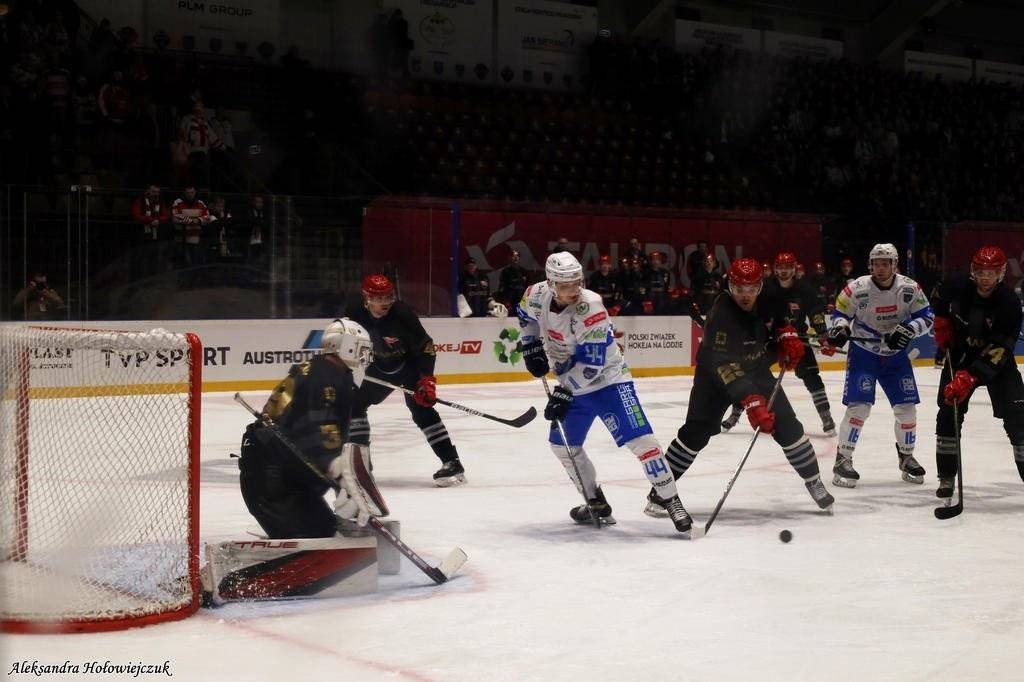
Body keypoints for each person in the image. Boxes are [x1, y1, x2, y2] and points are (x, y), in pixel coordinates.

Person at [517, 252, 693, 533]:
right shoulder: (535, 294)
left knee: (643, 441)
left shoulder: (592, 306)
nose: (573, 290)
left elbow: (593, 364)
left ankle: (671, 499)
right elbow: (525, 316)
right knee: (563, 446)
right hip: (571, 383)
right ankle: (595, 501)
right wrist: (530, 345)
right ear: (550, 284)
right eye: (565, 285)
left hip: (610, 381)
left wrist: (564, 392)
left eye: (577, 283)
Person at [655, 258, 835, 516]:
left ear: (760, 286)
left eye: (751, 289)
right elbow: (725, 364)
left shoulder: (771, 295)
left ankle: (814, 480)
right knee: (697, 432)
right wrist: (751, 400)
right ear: (730, 286)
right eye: (739, 289)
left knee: (788, 425)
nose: (745, 295)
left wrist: (786, 336)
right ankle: (661, 493)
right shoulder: (722, 314)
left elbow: (779, 319)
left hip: (756, 369)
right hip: (714, 377)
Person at [238, 318, 383, 538]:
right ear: (347, 345)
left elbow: (316, 431)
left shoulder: (326, 371)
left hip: (284, 471)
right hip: (270, 474)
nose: (365, 356)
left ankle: (284, 527)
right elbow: (320, 427)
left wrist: (345, 477)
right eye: (362, 348)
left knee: (323, 528)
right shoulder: (326, 377)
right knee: (312, 535)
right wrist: (339, 469)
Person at [825, 243, 933, 488]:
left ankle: (906, 457)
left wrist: (908, 329)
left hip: (895, 356)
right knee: (859, 408)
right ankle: (843, 459)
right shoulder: (857, 288)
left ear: (895, 265)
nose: (881, 268)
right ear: (870, 264)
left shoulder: (910, 288)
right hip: (864, 354)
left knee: (907, 409)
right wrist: (840, 329)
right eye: (877, 263)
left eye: (886, 263)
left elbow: (927, 317)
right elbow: (840, 313)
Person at [345, 274, 467, 486]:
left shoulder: (402, 313)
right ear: (367, 298)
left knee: (422, 409)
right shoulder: (353, 312)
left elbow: (426, 348)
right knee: (354, 406)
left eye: (388, 297)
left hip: (408, 366)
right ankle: (361, 463)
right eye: (379, 298)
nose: (386, 302)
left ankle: (451, 462)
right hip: (378, 369)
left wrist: (426, 380)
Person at [931, 246, 1024, 498]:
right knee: (948, 414)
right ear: (973, 270)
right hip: (959, 356)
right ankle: (947, 477)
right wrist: (941, 321)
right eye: (981, 271)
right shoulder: (958, 284)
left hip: (997, 363)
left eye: (991, 272)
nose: (985, 277)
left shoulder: (1009, 303)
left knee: (1018, 417)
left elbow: (1001, 347)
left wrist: (971, 376)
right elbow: (937, 296)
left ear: (1001, 274)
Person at [721, 251, 836, 435]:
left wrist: (823, 334)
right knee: (751, 372)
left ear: (794, 269)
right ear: (775, 269)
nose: (784, 271)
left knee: (812, 376)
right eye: (780, 267)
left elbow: (815, 313)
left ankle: (826, 416)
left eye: (787, 267)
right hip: (772, 340)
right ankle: (736, 413)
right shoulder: (766, 288)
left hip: (797, 340)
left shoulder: (804, 289)